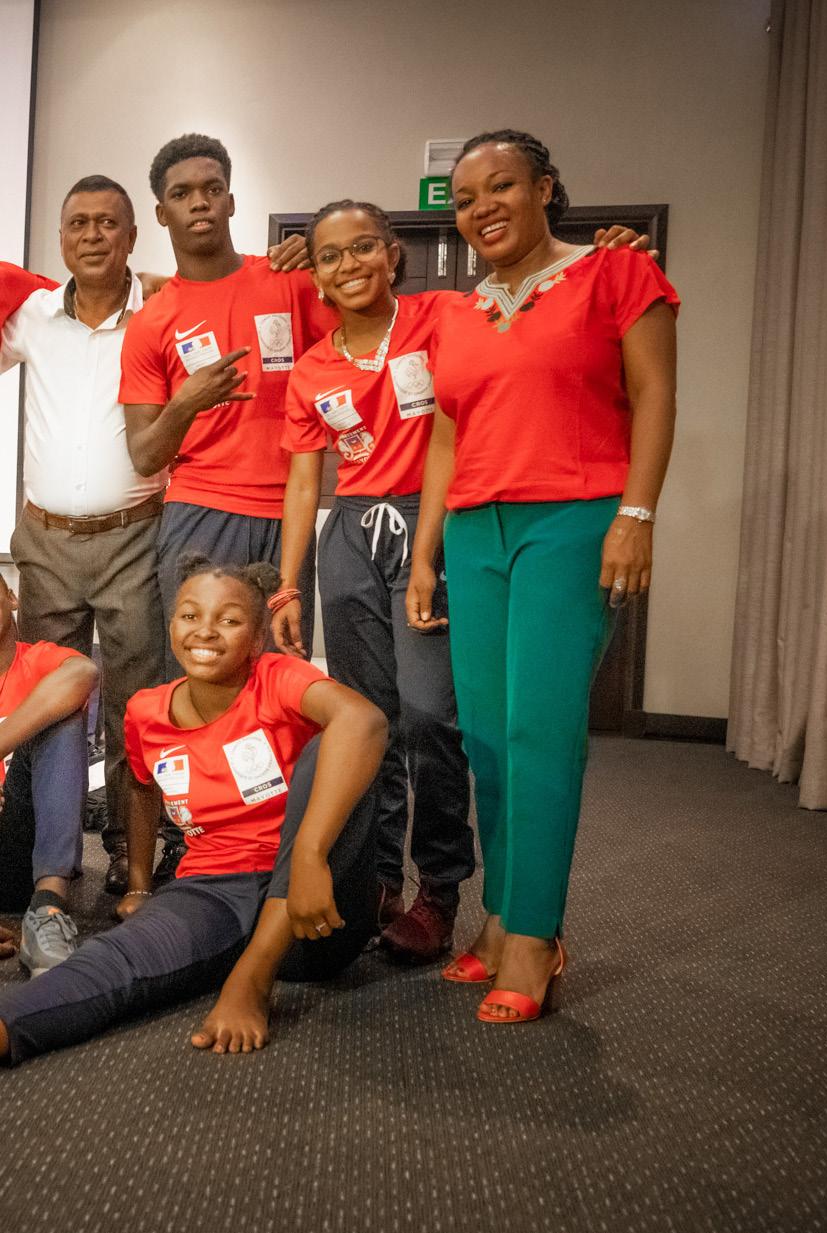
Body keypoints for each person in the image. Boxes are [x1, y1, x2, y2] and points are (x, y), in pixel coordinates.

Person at [407, 130, 679, 1024]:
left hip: (572, 518)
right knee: (485, 735)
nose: (481, 207)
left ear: (545, 189)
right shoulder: (456, 313)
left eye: (501, 187)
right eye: (464, 198)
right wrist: (426, 549)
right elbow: (446, 434)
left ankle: (534, 932)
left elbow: (656, 395)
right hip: (474, 529)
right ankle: (497, 916)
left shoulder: (617, 273)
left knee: (540, 729)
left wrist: (636, 515)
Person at [0, 555, 387, 1065]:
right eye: (189, 615)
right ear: (172, 626)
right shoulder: (148, 711)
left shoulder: (277, 678)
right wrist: (140, 886)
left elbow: (365, 721)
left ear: (258, 639)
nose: (205, 630)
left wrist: (311, 857)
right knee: (116, 957)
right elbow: (141, 790)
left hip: (315, 911)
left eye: (229, 619)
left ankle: (252, 979)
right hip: (213, 888)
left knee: (332, 746)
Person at [275, 201, 473, 962]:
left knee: (428, 716)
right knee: (367, 718)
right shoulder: (312, 369)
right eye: (330, 255)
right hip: (351, 532)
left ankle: (441, 886)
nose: (348, 264)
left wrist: (610, 254)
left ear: (392, 254)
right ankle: (381, 876)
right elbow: (304, 483)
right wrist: (287, 585)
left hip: (430, 523)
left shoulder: (441, 317)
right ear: (317, 275)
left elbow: (531, 297)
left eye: (363, 247)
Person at [0, 177, 169, 896]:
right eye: (78, 224)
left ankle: (130, 855)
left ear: (132, 236)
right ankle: (47, 866)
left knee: (136, 705)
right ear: (61, 239)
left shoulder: (160, 310)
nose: (92, 234)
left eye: (107, 223)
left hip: (134, 537)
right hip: (45, 542)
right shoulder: (33, 317)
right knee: (45, 704)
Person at [121, 134, 337, 677]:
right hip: (200, 512)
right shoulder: (151, 322)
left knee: (282, 673)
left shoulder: (290, 281)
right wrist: (185, 404)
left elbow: (359, 356)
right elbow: (145, 456)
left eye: (212, 189)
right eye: (182, 193)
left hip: (288, 513)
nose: (199, 202)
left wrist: (323, 257)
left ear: (231, 201)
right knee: (200, 671)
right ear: (162, 213)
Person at [0, 573, 99, 976]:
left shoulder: (37, 659)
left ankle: (48, 909)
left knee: (64, 717)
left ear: (12, 597)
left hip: (26, 845)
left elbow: (84, 673)